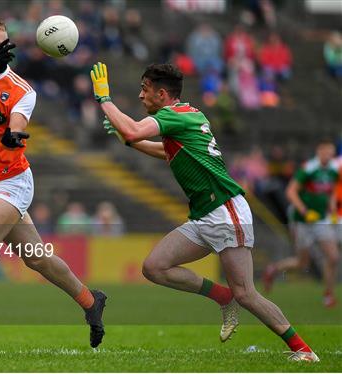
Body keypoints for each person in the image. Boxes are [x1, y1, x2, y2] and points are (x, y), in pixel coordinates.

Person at [90, 61, 319, 361]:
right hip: (205, 213)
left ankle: (303, 351)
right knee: (155, 267)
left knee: (246, 293)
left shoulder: (174, 115)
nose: (140, 96)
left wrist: (105, 100)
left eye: (144, 90)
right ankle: (222, 297)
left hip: (224, 210)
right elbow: (162, 150)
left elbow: (133, 130)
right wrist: (130, 140)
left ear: (161, 94)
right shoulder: (187, 114)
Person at [0, 17, 106, 357]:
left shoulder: (22, 90)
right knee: (37, 259)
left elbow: (18, 120)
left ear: (6, 47)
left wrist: (14, 134)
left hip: (12, 180)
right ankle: (91, 301)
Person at [263, 141, 339, 308]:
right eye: (325, 152)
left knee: (333, 256)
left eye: (331, 152)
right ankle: (273, 269)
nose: (328, 155)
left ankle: (328, 294)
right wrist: (305, 211)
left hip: (320, 219)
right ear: (319, 151)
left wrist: (332, 207)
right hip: (301, 220)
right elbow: (290, 192)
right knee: (302, 262)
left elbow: (331, 191)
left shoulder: (333, 169)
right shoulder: (309, 169)